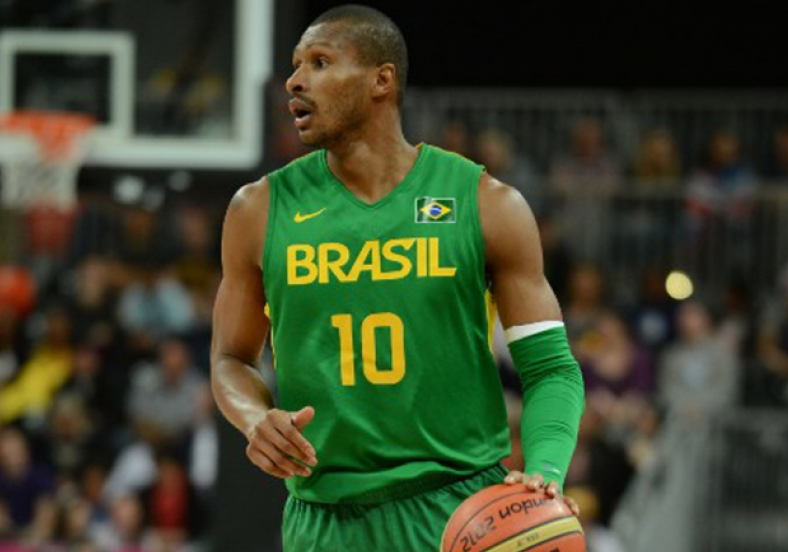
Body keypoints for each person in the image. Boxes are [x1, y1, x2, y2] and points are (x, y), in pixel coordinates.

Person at [210, 5, 585, 551]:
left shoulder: (484, 203)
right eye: (295, 66)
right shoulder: (257, 211)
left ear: (381, 80)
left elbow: (551, 368)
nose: (294, 81)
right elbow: (229, 360)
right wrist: (254, 418)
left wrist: (546, 470)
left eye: (319, 63)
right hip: (323, 519)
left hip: (460, 513)